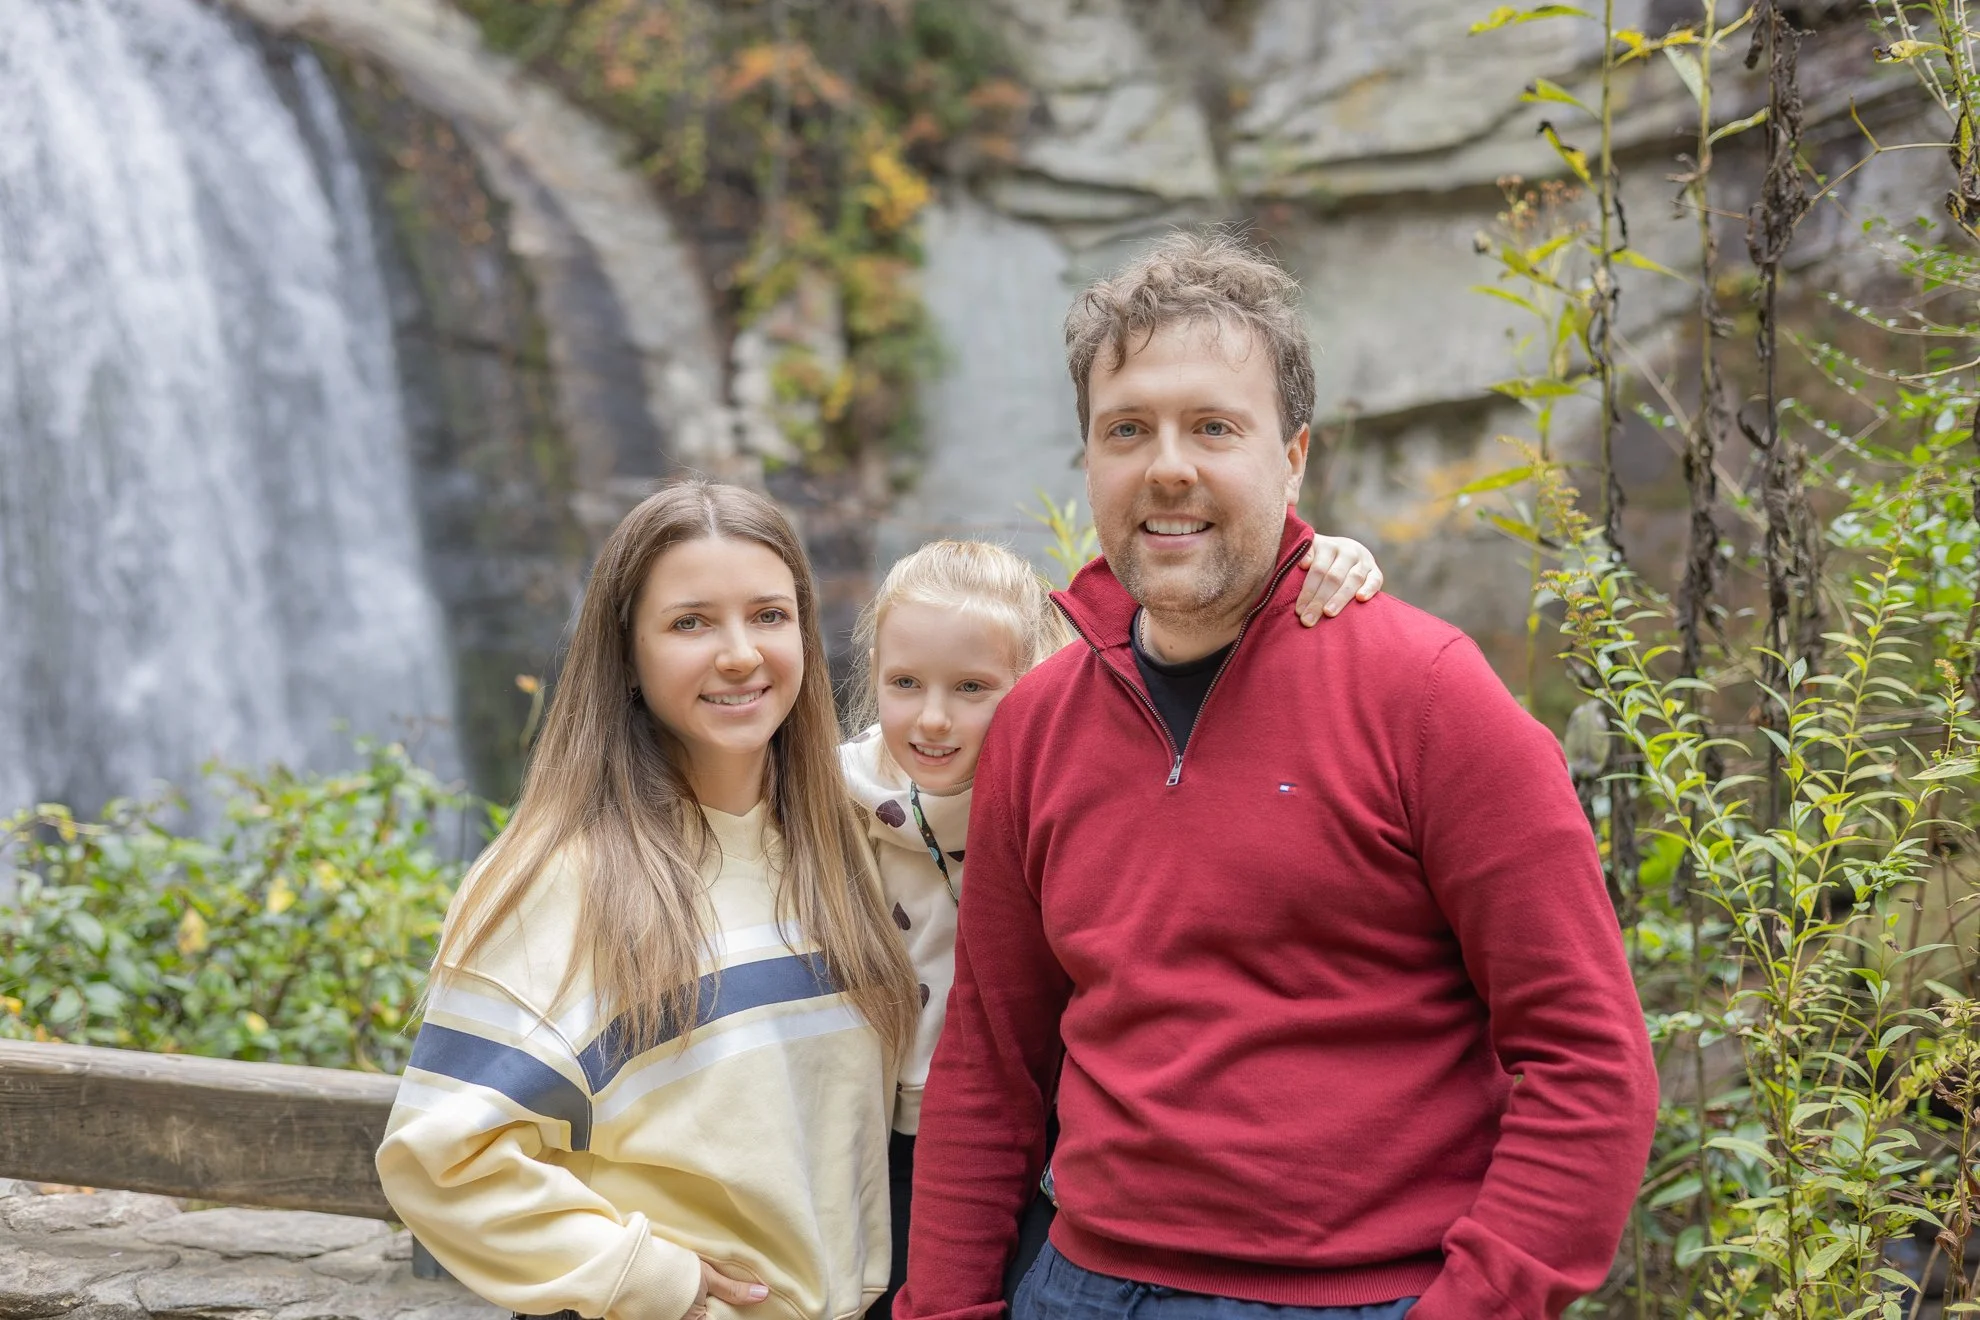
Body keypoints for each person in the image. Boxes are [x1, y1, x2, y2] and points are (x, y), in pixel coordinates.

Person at [892, 232, 1658, 1320]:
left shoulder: (1429, 695)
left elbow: (1589, 1063)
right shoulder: (1036, 725)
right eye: (1127, 430)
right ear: (1089, 461)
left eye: (1214, 427)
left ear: (1294, 456)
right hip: (1080, 1289)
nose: (1168, 467)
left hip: (1362, 1298)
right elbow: (990, 1065)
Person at [377, 481, 919, 1320]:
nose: (739, 654)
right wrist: (650, 1278)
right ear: (626, 656)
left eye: (769, 616)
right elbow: (438, 1160)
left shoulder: (851, 840)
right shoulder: (559, 880)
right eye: (690, 623)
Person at [843, 534, 1385, 1320]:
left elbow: (1177, 609)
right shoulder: (836, 801)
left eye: (971, 687)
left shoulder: (1073, 779)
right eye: (905, 683)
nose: (933, 718)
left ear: (1036, 680)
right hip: (882, 1142)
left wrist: (1319, 555)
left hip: (1052, 1146)